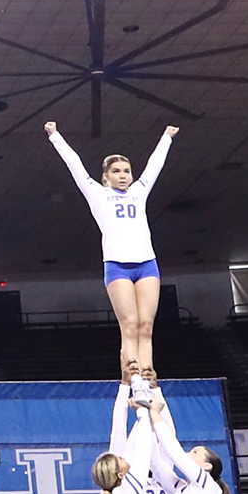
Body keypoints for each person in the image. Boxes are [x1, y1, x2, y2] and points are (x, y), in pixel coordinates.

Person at [44, 120, 177, 392]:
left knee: (146, 325)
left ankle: (148, 375)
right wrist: (55, 135)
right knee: (129, 324)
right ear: (106, 176)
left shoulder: (139, 192)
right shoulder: (98, 194)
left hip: (146, 264)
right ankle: (132, 375)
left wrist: (166, 137)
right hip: (117, 267)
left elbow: (155, 166)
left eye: (127, 171)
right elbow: (76, 166)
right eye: (116, 171)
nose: (123, 175)